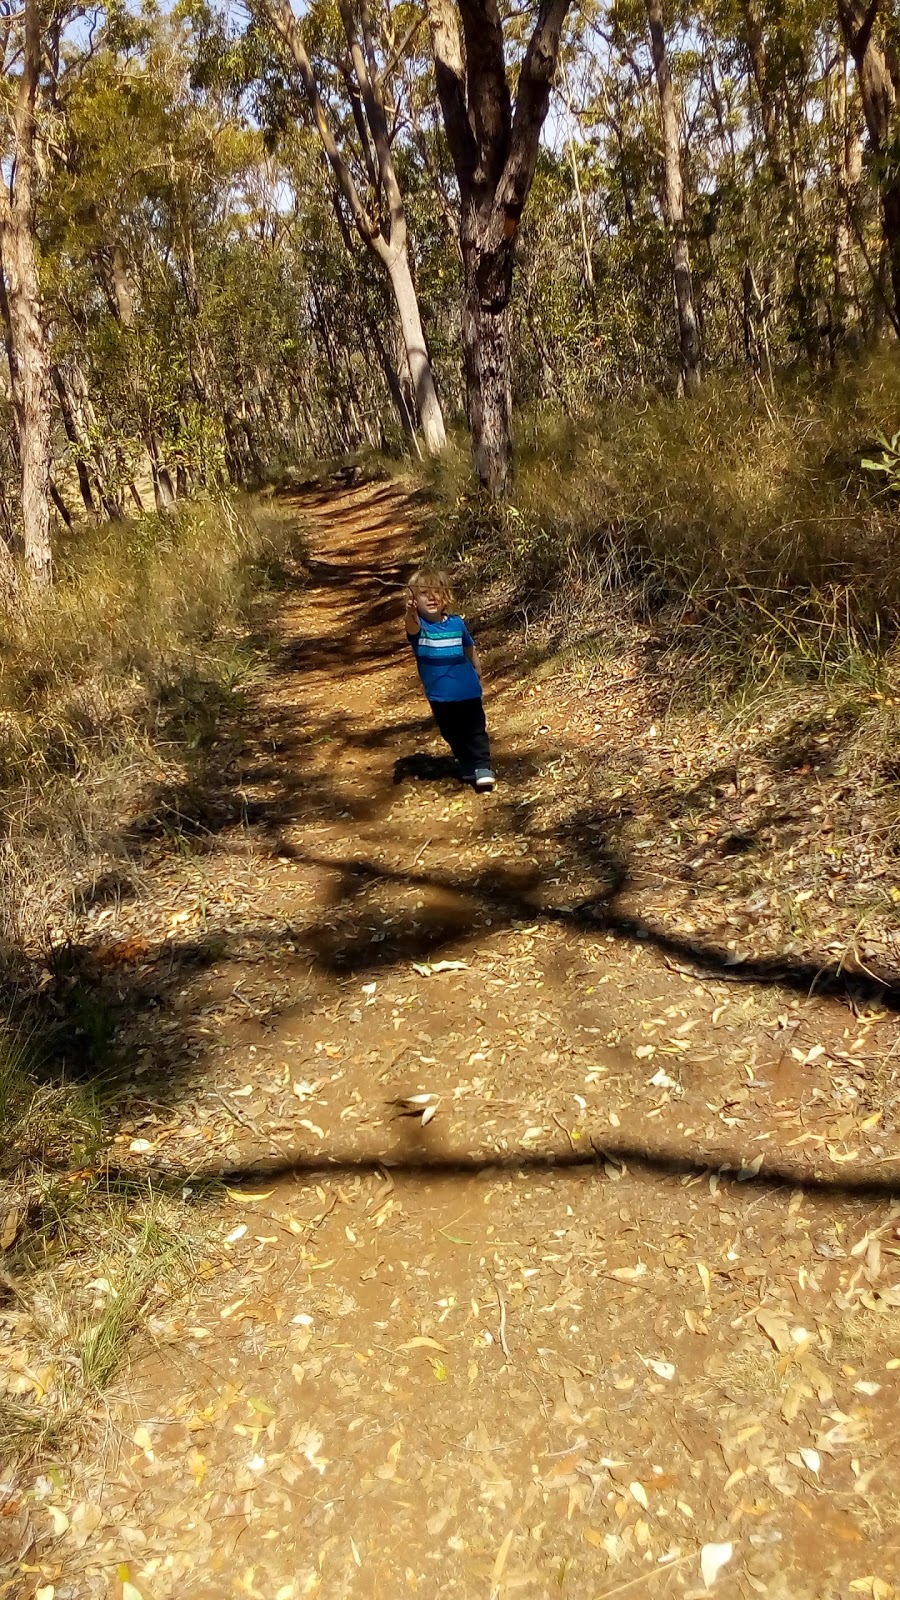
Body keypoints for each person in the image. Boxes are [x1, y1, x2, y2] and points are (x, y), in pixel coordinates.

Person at [404, 566, 495, 791]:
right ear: (414, 600)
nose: (432, 597)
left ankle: (482, 766)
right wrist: (410, 614)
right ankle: (466, 761)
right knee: (451, 731)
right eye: (424, 593)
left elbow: (468, 646)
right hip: (439, 694)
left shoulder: (456, 623)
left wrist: (477, 667)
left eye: (437, 592)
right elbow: (410, 626)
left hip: (467, 689)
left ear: (447, 597)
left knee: (475, 728)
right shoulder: (419, 628)